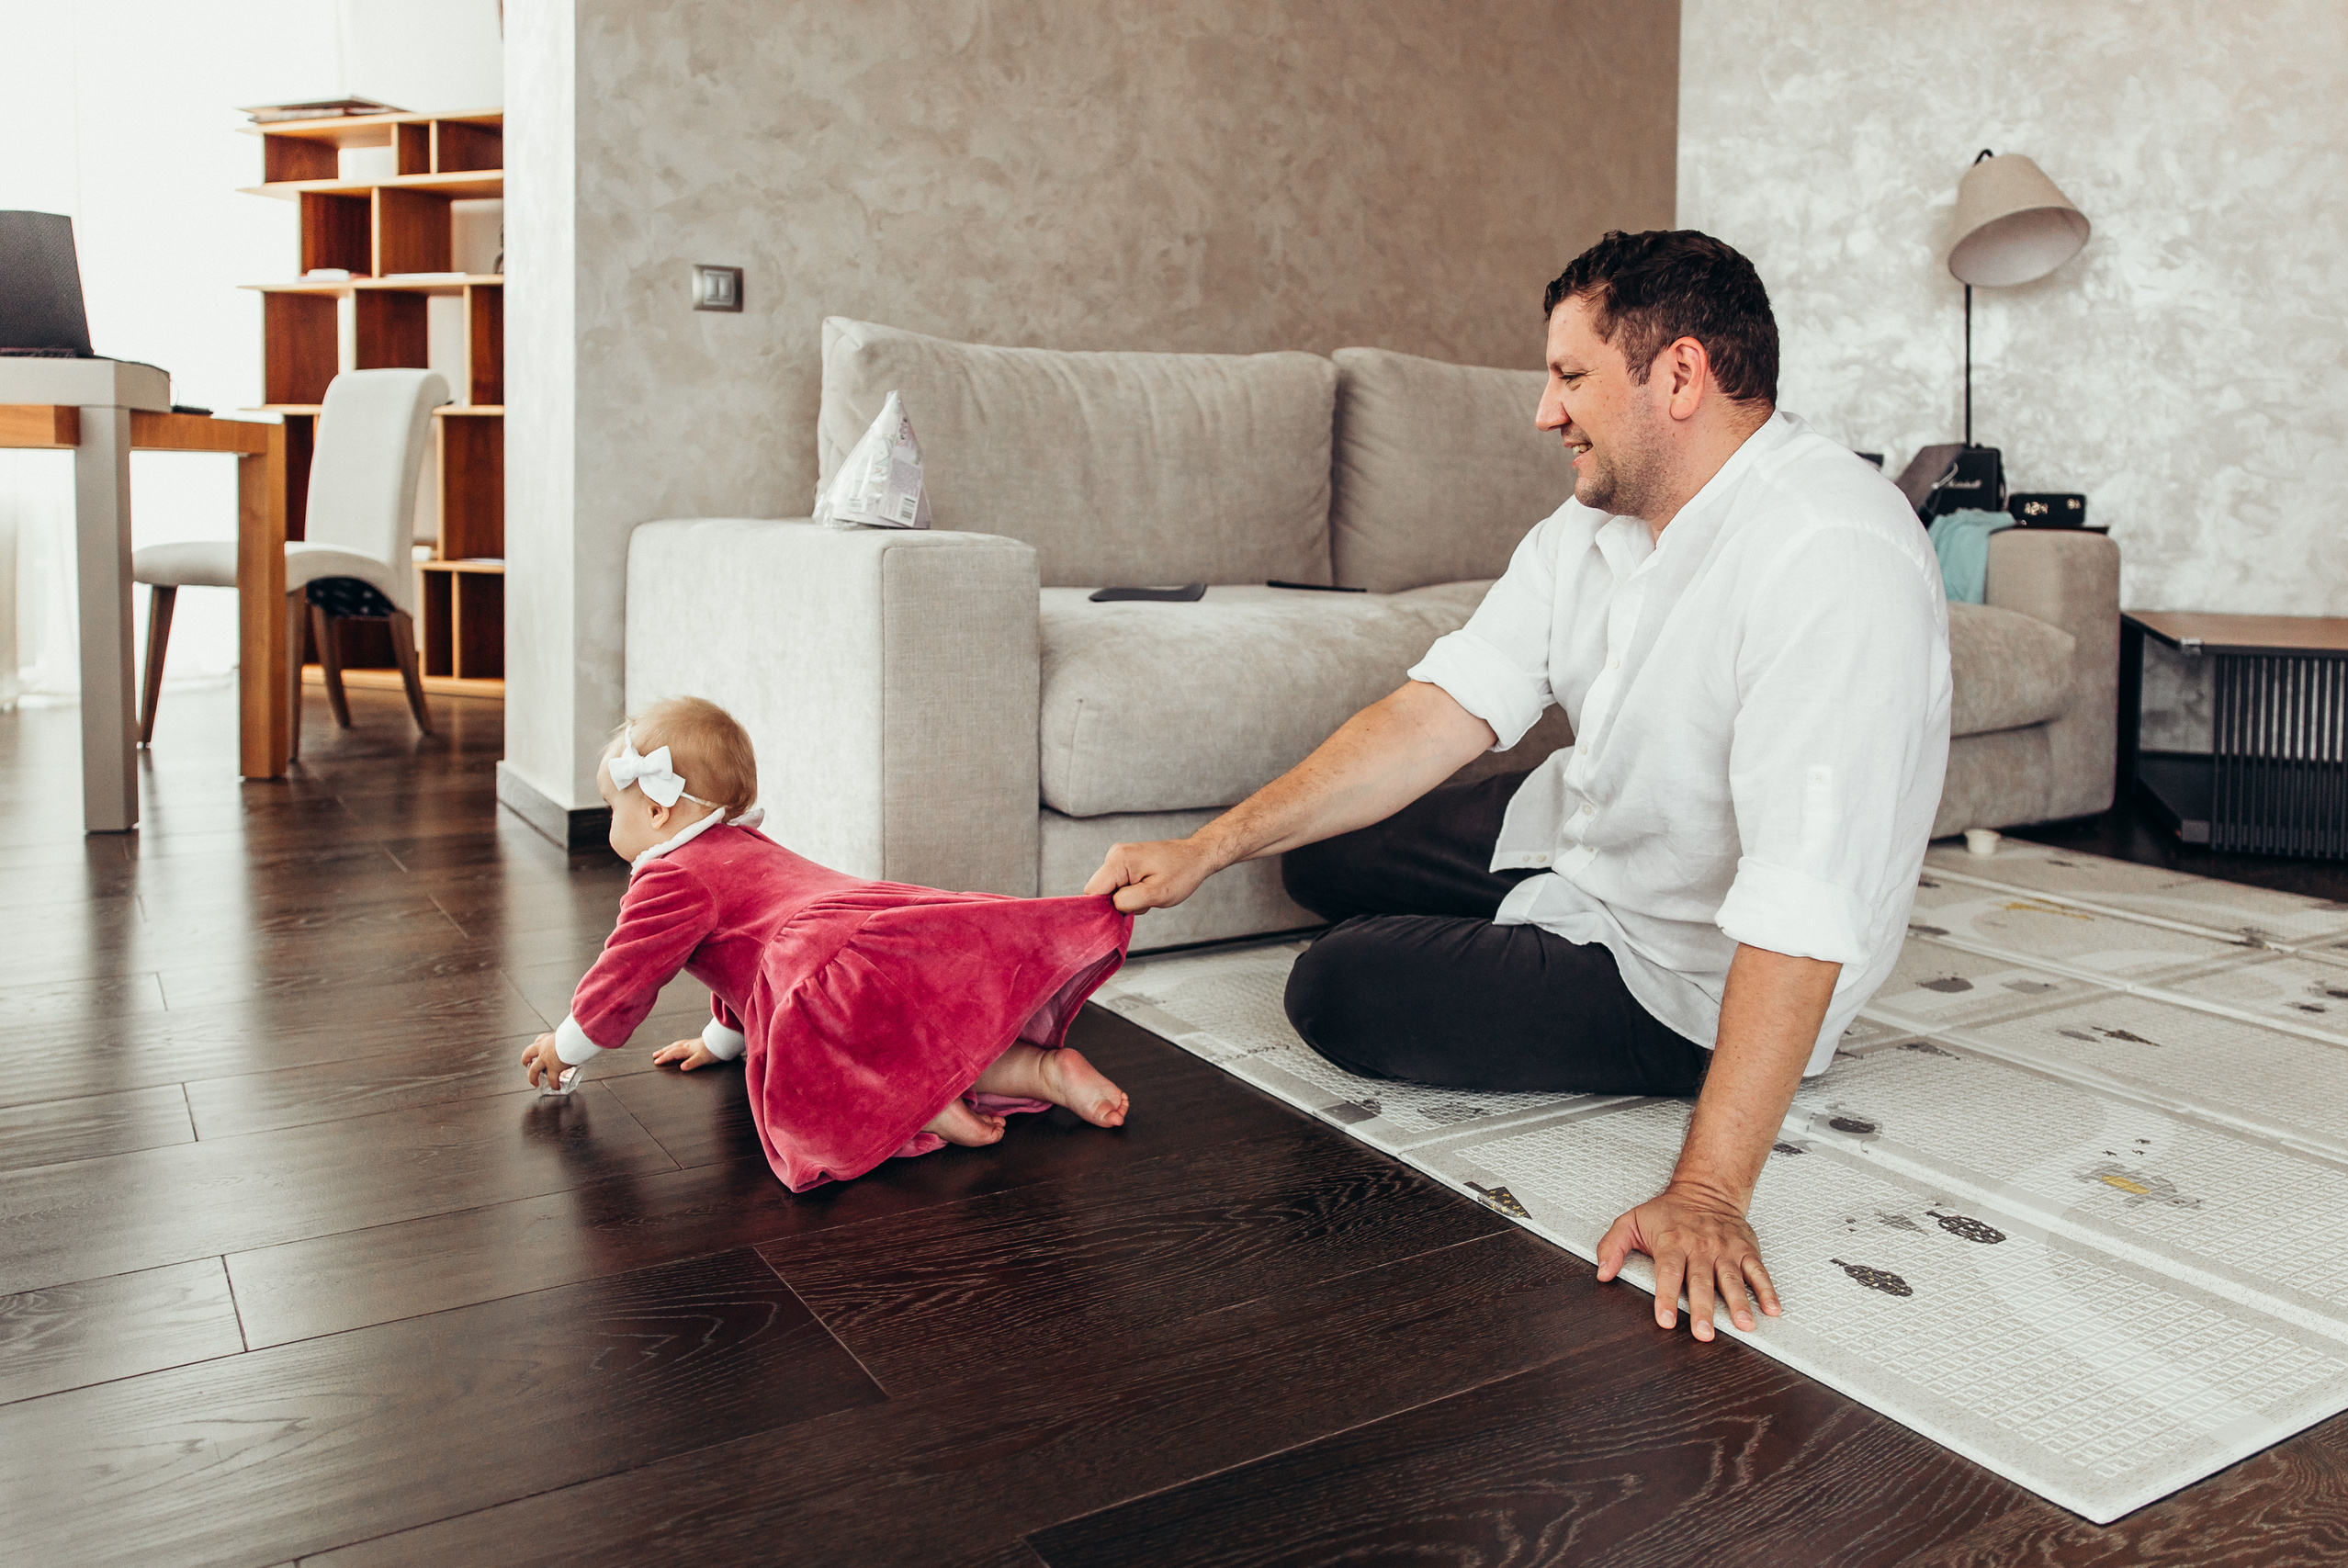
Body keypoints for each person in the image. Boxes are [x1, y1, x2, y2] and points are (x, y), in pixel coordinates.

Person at [1085, 230, 1950, 1341]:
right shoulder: (1592, 526)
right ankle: (1488, 910)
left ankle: (1534, 961)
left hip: (1682, 966)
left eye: (1570, 376)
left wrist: (1707, 1194)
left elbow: (1804, 896)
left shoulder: (1830, 554)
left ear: (1679, 375)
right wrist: (1209, 846)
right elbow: (1434, 714)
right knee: (1311, 851)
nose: (1544, 413)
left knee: (1338, 987)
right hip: (1594, 830)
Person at [521, 696, 1134, 1191]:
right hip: (868, 928)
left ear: (656, 811)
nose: (609, 822)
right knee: (923, 1028)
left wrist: (567, 1044)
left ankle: (920, 1106)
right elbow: (740, 955)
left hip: (813, 965)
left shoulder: (669, 877)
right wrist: (719, 1041)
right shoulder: (737, 844)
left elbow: (625, 975)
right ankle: (1047, 1072)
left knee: (829, 1072)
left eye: (611, 807)